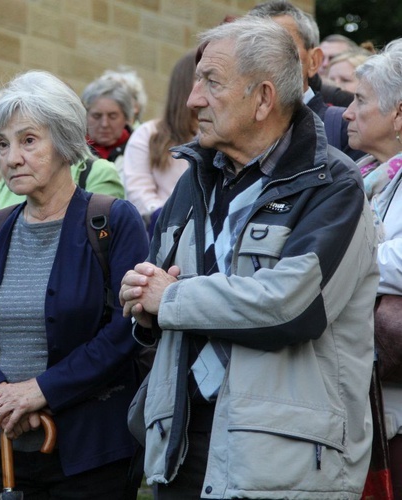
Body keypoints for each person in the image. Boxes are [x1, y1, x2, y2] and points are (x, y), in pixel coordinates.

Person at [119, 17, 377, 498]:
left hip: (281, 462)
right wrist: (141, 299)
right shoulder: (193, 177)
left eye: (211, 82)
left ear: (262, 98)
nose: (193, 99)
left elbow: (292, 306)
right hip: (181, 449)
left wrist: (169, 298)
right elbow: (158, 287)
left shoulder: (333, 185)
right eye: (197, 82)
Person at [0, 70, 148, 499]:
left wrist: (40, 391)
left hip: (92, 456)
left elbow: (125, 330)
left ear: (64, 140)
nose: (11, 157)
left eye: (28, 140)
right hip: (2, 451)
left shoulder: (113, 220)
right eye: (2, 144)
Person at [342, 39, 402, 498]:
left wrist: (338, 261)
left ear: (398, 114)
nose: (346, 112)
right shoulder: (367, 176)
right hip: (366, 391)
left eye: (360, 100)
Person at [248, 0, 364, 160]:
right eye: (251, 51)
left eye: (280, 47)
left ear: (314, 61)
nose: (262, 59)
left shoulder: (347, 129)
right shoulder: (230, 128)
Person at [123, 50, 197, 229]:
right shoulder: (148, 134)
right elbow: (139, 193)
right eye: (203, 79)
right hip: (162, 231)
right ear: (185, 85)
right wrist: (173, 221)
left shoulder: (220, 137)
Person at [82, 75, 135, 184]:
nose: (104, 124)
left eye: (112, 116)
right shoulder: (72, 152)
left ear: (126, 118)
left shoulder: (139, 151)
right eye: (97, 116)